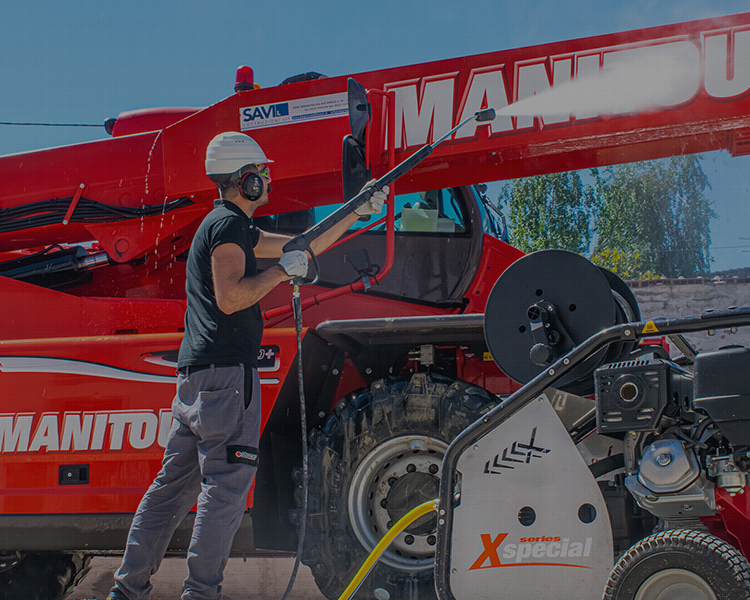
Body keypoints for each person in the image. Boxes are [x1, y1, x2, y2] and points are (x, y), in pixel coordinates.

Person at [108, 131, 388, 600]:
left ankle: (126, 590)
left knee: (170, 491)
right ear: (246, 181)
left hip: (199, 381)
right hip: (226, 381)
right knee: (225, 489)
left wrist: (356, 211)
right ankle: (201, 593)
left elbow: (302, 244)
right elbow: (232, 296)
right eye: (262, 173)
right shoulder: (228, 226)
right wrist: (280, 273)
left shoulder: (229, 226)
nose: (269, 180)